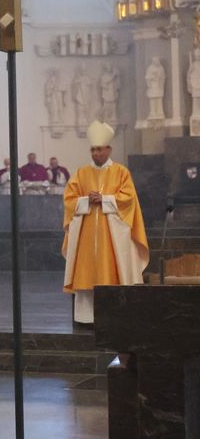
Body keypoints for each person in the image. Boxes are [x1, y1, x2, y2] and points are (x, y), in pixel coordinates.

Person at [62, 121, 148, 324]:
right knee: (86, 276)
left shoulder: (121, 172)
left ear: (109, 149)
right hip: (86, 236)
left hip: (112, 237)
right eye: (92, 150)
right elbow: (69, 199)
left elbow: (128, 199)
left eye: (99, 149)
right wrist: (85, 201)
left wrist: (105, 199)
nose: (95, 154)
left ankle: (114, 317)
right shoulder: (81, 173)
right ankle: (87, 319)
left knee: (113, 274)